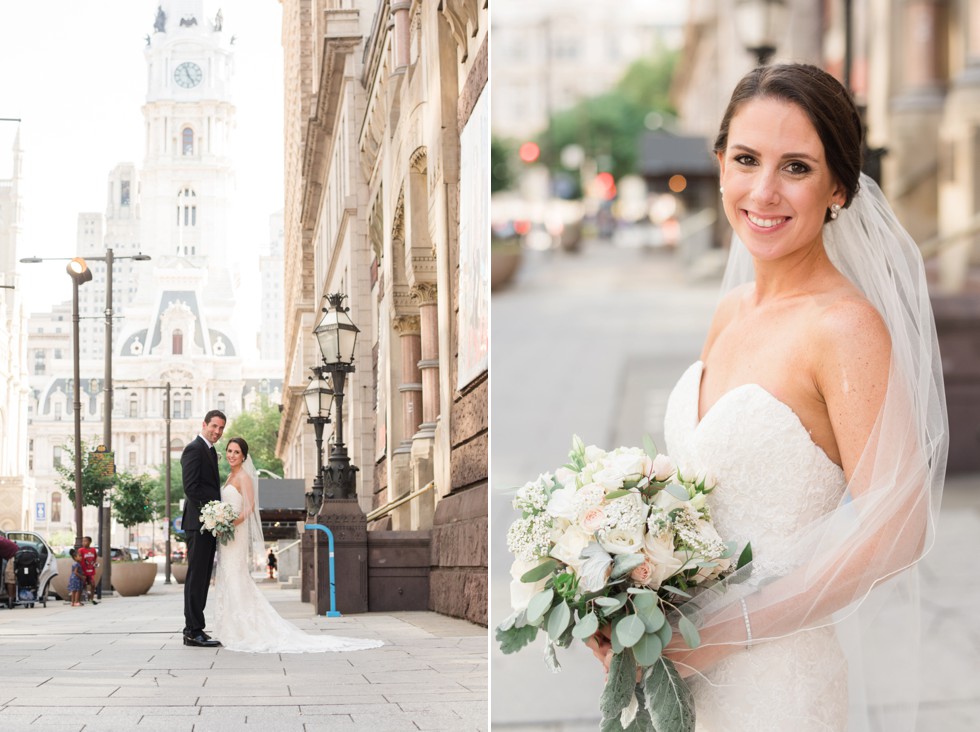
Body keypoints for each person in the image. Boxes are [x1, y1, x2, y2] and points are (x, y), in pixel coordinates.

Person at [587, 64, 946, 731]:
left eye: (797, 168)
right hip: (681, 669)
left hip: (777, 682)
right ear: (720, 162)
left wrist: (724, 633)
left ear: (840, 186)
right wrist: (619, 595)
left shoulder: (845, 327)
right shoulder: (729, 311)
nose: (764, 190)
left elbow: (901, 525)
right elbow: (703, 496)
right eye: (747, 159)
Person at [212, 437, 383, 654]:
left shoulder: (245, 477)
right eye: (229, 451)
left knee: (236, 576)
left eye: (236, 452)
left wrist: (228, 523)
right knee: (228, 576)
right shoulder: (229, 476)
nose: (232, 455)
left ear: (244, 456)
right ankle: (231, 627)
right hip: (227, 535)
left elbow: (249, 508)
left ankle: (245, 628)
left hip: (236, 532)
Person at [180, 409, 226, 647]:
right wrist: (212, 513)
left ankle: (197, 627)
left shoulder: (209, 450)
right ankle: (192, 630)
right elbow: (191, 488)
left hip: (207, 524)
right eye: (214, 426)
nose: (217, 432)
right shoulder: (194, 449)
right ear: (204, 424)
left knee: (203, 577)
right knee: (196, 577)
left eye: (221, 429)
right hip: (198, 524)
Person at [77, 536, 99, 605]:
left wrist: (94, 565)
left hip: (90, 571)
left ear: (89, 542)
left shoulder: (93, 550)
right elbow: (79, 560)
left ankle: (91, 599)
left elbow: (95, 558)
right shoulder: (81, 550)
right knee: (81, 585)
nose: (83, 542)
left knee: (92, 584)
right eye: (83, 541)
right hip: (83, 571)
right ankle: (77, 600)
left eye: (85, 541)